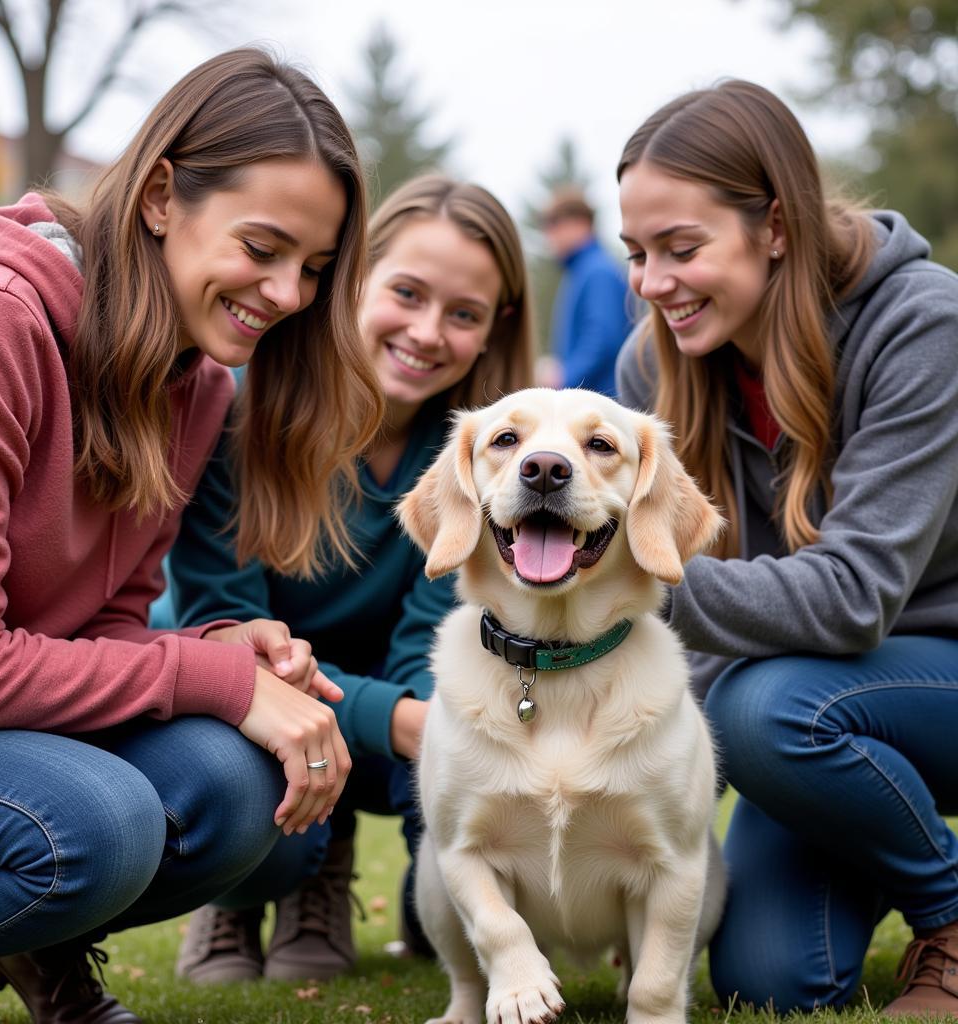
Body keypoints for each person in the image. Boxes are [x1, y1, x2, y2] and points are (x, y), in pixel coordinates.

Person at [0, 47, 383, 1024]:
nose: (289, 293)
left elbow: (92, 633)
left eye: (312, 268)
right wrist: (211, 681)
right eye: (262, 248)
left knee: (233, 785)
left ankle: (36, 947)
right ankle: (37, 943)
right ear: (161, 196)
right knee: (97, 822)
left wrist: (215, 648)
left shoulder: (197, 387)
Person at [615, 79, 958, 1015]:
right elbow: (690, 630)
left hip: (925, 677)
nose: (652, 283)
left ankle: (950, 908)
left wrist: (632, 579)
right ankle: (869, 821)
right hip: (807, 703)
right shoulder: (654, 366)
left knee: (764, 711)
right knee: (773, 984)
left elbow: (851, 597)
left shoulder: (924, 322)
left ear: (773, 226)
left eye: (682, 249)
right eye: (637, 253)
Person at [167, 174, 535, 984]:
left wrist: (425, 727)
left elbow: (431, 646)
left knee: (457, 773)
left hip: (384, 717)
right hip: (246, 711)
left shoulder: (483, 465)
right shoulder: (236, 419)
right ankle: (257, 888)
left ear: (493, 329)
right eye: (406, 292)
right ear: (355, 278)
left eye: (464, 314)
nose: (428, 332)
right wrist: (406, 721)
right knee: (261, 805)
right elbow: (226, 635)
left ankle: (373, 876)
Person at [538, 184, 632, 397]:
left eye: (554, 226)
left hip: (602, 404)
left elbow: (602, 340)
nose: (549, 237)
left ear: (580, 223)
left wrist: (563, 378)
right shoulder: (582, 271)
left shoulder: (597, 271)